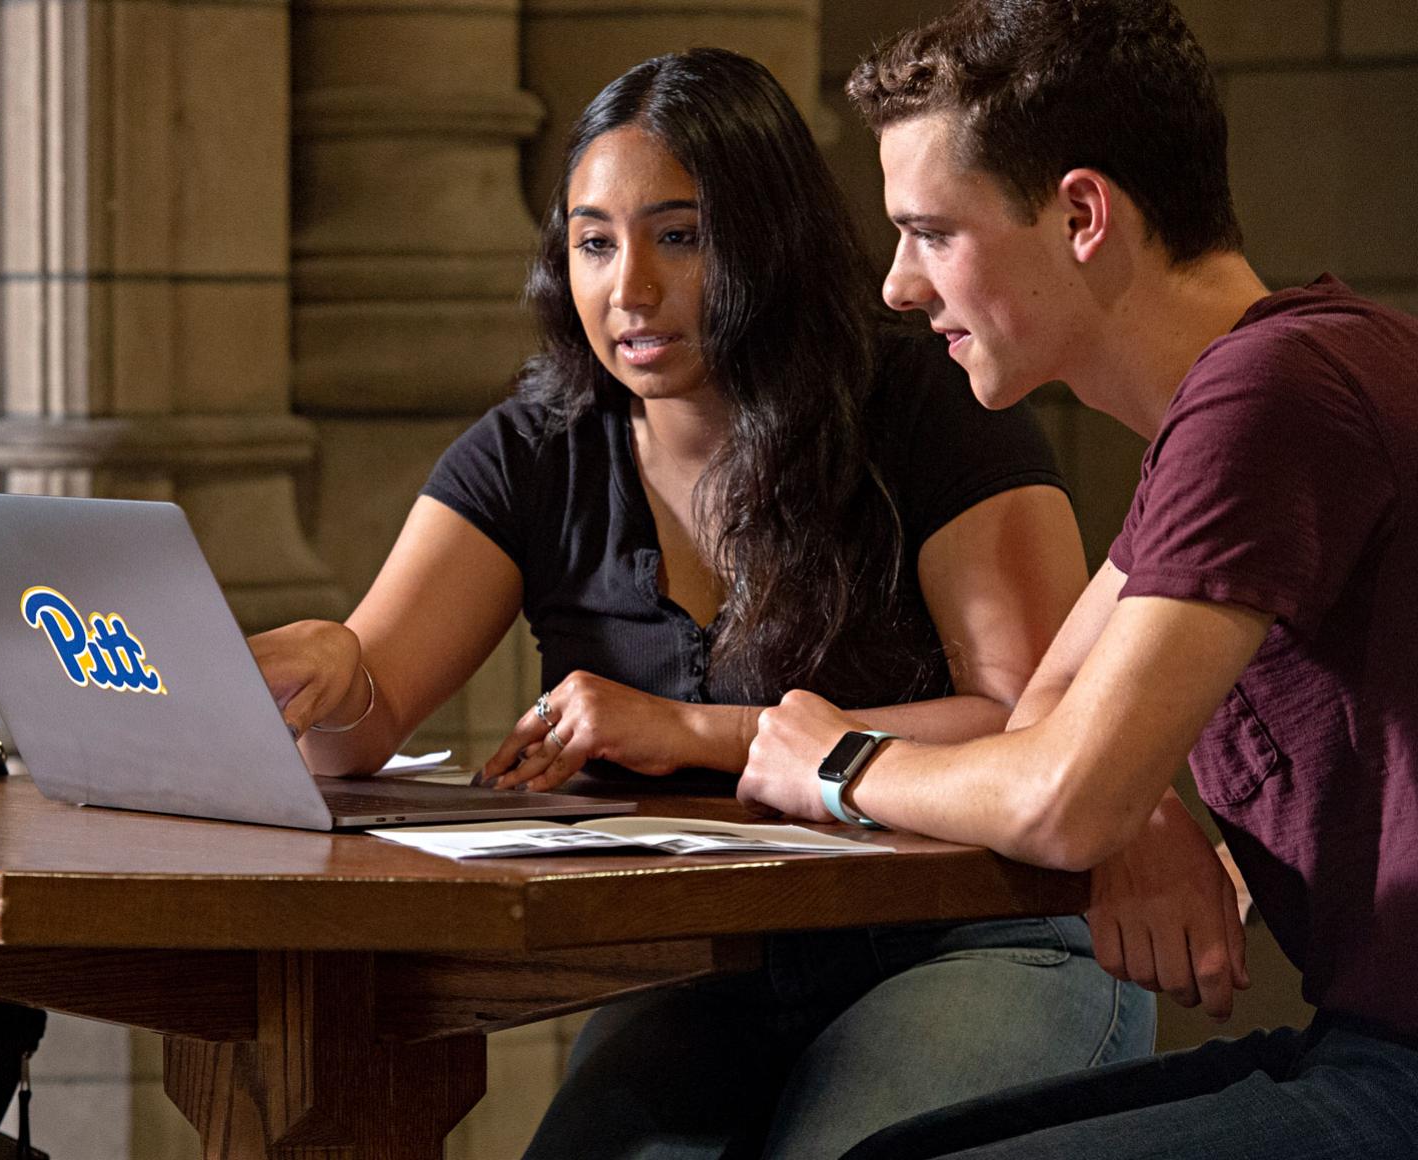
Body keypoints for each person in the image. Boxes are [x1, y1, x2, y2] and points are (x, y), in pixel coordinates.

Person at [251, 48, 1153, 1159]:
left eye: (678, 236)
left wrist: (693, 731)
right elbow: (361, 720)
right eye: (593, 242)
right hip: (705, 972)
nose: (626, 288)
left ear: (765, 239)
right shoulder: (534, 452)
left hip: (979, 935)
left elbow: (1027, 722)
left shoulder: (920, 403)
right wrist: (332, 668)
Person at [734, 3, 1418, 1158]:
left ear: (1081, 214)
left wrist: (837, 764)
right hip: (1369, 1043)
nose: (897, 286)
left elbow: (1056, 793)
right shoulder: (1244, 393)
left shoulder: (1273, 392)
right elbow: (1046, 720)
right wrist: (1130, 807)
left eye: (929, 232)